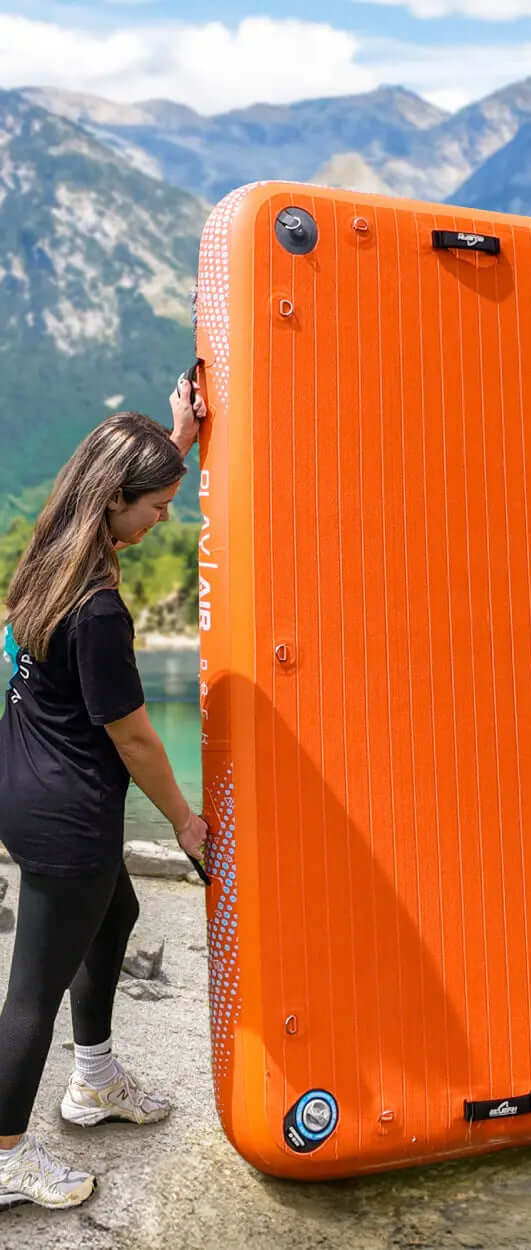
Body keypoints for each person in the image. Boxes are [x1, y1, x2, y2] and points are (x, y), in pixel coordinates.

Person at [0, 377, 209, 1210]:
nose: (164, 518)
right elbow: (133, 737)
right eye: (156, 506)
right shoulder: (98, 613)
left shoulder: (53, 542)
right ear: (115, 501)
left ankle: (92, 1083)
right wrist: (188, 823)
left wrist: (176, 440)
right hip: (68, 813)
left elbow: (116, 489)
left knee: (116, 916)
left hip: (21, 783)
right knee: (30, 996)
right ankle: (7, 1153)